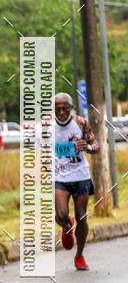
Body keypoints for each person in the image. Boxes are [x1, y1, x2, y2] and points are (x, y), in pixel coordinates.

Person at [54, 92, 99, 270]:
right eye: (58, 108)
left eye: (65, 108)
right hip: (60, 176)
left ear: (70, 108)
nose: (61, 112)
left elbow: (96, 145)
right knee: (61, 215)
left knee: (82, 216)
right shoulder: (48, 126)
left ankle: (79, 255)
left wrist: (87, 147)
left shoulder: (80, 122)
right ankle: (66, 226)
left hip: (80, 175)